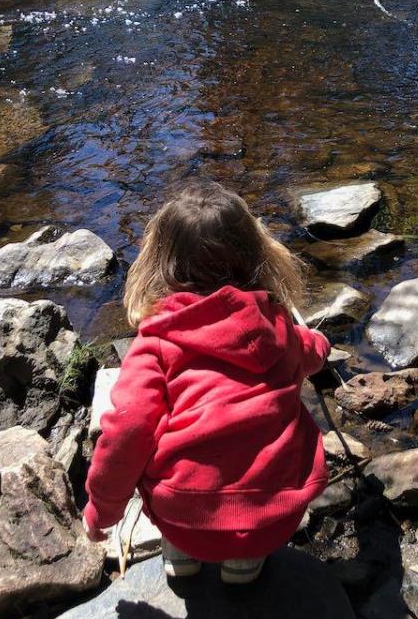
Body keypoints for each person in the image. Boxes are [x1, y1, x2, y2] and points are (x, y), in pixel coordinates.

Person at [82, 181, 331, 584]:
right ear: (255, 253)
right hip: (273, 517)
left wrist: (101, 511)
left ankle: (181, 553)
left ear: (161, 262)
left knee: (150, 445)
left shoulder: (157, 343)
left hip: (184, 518)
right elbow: (310, 353)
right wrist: (321, 343)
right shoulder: (276, 327)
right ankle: (244, 562)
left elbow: (128, 429)